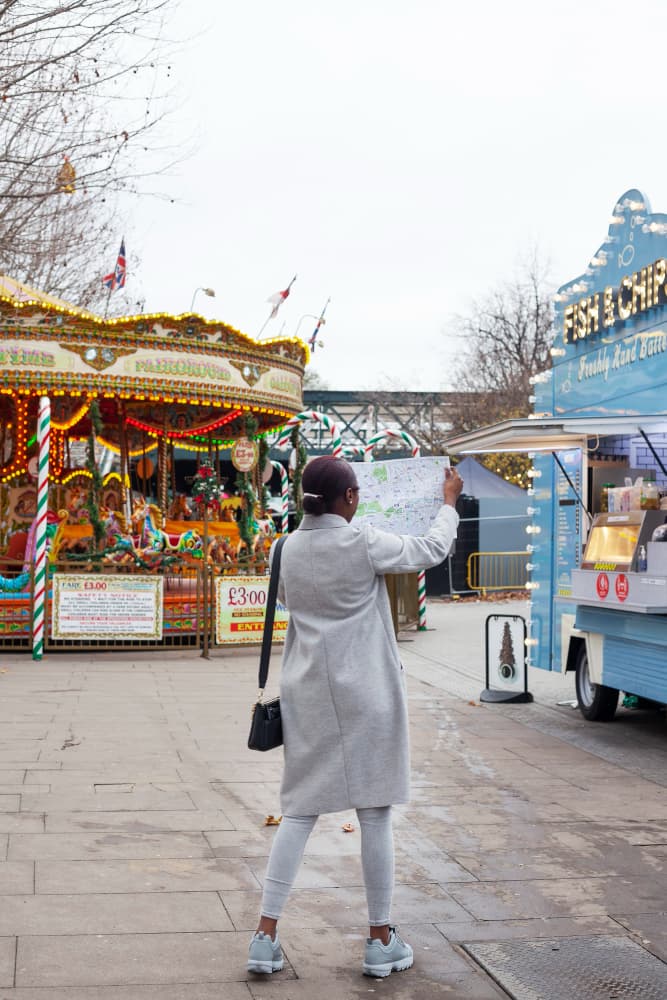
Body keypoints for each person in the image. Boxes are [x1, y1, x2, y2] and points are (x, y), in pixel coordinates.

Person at [247, 455, 463, 979]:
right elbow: (431, 549)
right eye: (357, 494)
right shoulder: (363, 542)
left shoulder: (283, 549)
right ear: (347, 498)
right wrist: (448, 505)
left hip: (307, 694)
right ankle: (380, 939)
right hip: (367, 693)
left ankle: (264, 937)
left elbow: (291, 603)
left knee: (299, 812)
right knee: (374, 813)